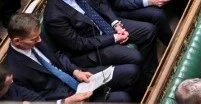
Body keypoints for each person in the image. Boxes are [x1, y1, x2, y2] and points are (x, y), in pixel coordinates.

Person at [43, 0, 156, 89]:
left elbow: (100, 2)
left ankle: (152, 75)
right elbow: (79, 44)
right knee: (135, 57)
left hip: (107, 27)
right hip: (91, 49)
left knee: (148, 30)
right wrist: (114, 38)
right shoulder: (54, 16)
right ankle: (144, 89)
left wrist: (116, 24)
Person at [4, 13, 134, 102]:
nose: (39, 40)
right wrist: (65, 101)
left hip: (77, 78)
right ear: (17, 41)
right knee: (122, 98)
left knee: (130, 72)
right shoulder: (14, 70)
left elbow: (58, 56)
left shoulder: (35, 36)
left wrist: (75, 71)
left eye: (38, 36)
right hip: (66, 97)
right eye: (34, 39)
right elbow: (36, 98)